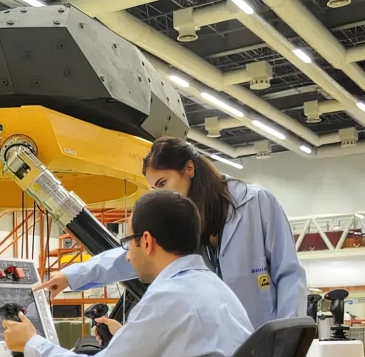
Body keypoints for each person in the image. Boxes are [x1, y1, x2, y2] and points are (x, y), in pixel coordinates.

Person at [2, 190, 254, 357]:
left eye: (127, 243)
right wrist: (130, 338)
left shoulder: (169, 299)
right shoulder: (216, 289)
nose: (128, 257)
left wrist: (31, 344)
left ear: (147, 241)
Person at [35, 137, 308, 332]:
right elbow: (132, 254)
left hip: (268, 342)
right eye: (155, 189)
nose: (161, 194)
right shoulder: (181, 221)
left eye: (163, 183)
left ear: (188, 169)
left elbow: (289, 275)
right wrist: (71, 275)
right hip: (219, 350)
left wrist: (287, 342)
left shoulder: (256, 203)